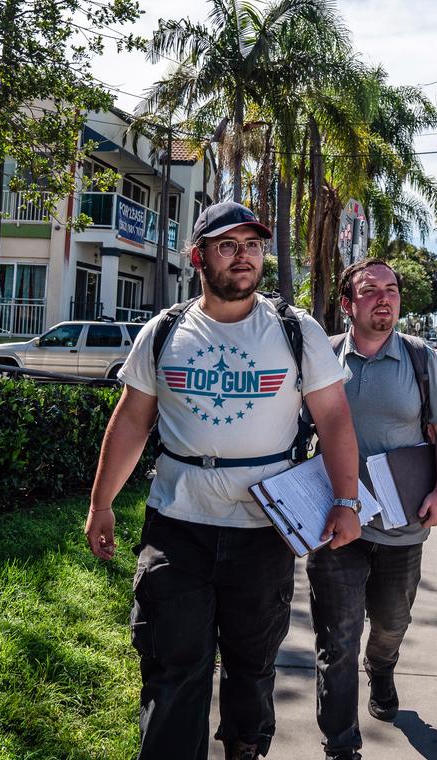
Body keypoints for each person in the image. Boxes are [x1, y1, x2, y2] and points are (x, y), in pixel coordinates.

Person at [84, 201, 362, 760]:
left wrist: (347, 499)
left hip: (263, 529)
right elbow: (133, 418)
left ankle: (244, 750)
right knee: (172, 667)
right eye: (228, 245)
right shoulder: (164, 333)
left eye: (253, 246)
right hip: (177, 526)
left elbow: (333, 418)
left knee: (252, 667)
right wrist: (102, 503)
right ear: (198, 257)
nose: (244, 257)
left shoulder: (294, 330)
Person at [306, 259, 437, 760]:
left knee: (391, 621)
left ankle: (385, 666)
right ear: (348, 304)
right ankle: (341, 744)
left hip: (401, 525)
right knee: (338, 638)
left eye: (391, 290)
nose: (385, 299)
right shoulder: (322, 357)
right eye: (371, 291)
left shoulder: (419, 358)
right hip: (336, 524)